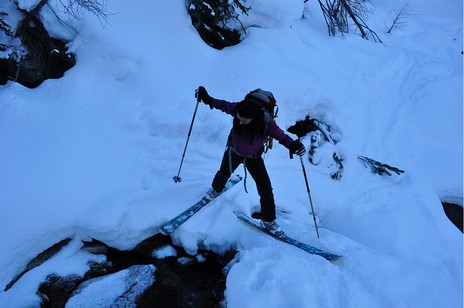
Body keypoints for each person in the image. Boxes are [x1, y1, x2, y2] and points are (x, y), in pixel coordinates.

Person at [196, 86, 306, 237]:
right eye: (238, 119)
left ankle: (268, 221)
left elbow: (282, 137)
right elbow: (222, 105)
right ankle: (215, 189)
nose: (240, 123)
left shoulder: (266, 122)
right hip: (233, 152)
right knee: (223, 173)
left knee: (265, 188)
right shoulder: (238, 108)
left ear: (254, 120)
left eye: (244, 121)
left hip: (254, 157)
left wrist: (294, 145)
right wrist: (207, 98)